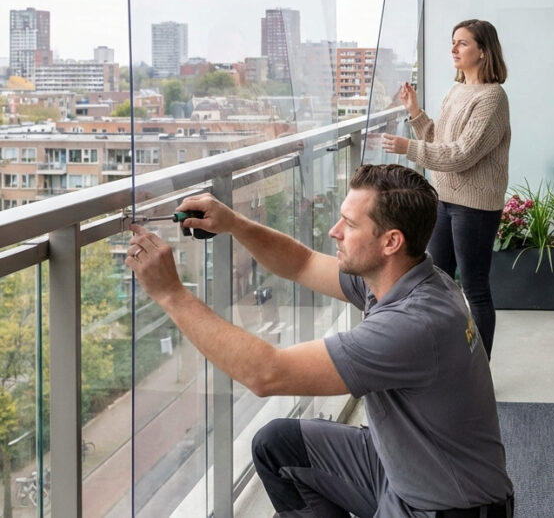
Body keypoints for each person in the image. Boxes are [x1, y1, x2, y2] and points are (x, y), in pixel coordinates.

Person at [125, 163, 514, 518]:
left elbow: (266, 374)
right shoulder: (404, 277)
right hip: (401, 467)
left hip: (445, 507)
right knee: (279, 444)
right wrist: (233, 223)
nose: (335, 231)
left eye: (349, 223)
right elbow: (303, 263)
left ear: (391, 241)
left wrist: (171, 294)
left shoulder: (412, 325)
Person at [381, 19, 509, 358]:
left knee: (474, 288)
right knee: (437, 281)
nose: (454, 49)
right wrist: (415, 112)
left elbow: (461, 154)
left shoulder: (492, 99)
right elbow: (442, 141)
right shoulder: (457, 90)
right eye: (453, 42)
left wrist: (407, 148)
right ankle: (447, 358)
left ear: (483, 51)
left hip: (475, 206)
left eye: (462, 43)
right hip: (445, 200)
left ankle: (478, 369)